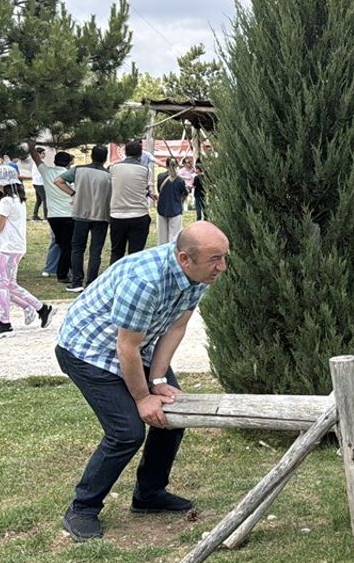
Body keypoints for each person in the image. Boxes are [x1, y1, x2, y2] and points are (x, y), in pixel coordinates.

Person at [56, 221, 230, 542]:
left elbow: (176, 328)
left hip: (135, 348)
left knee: (174, 414)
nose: (222, 267)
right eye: (215, 259)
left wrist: (159, 379)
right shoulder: (146, 281)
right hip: (88, 351)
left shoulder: (200, 274)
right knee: (127, 432)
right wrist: (142, 397)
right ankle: (82, 508)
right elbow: (127, 347)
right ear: (184, 259)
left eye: (224, 257)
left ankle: (149, 494)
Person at [0, 165, 55, 339]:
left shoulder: (6, 201)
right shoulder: (18, 199)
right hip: (13, 247)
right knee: (7, 284)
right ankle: (40, 308)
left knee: (1, 284)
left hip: (7, 248)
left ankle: (5, 323)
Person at [57, 145, 112, 292]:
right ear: (105, 158)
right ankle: (92, 282)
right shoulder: (108, 175)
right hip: (101, 215)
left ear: (91, 156)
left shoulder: (78, 170)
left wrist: (73, 193)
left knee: (77, 248)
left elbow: (58, 181)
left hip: (80, 213)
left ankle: (76, 282)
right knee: (95, 250)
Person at [31, 149, 76, 284]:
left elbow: (36, 158)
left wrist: (31, 145)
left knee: (62, 244)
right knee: (68, 245)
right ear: (68, 163)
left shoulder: (46, 172)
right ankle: (63, 274)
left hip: (53, 215)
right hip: (69, 214)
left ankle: (64, 270)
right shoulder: (68, 175)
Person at [109, 141, 153, 264]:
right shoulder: (146, 170)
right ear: (140, 154)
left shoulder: (113, 168)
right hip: (139, 214)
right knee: (136, 253)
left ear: (125, 152)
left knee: (116, 252)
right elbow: (144, 188)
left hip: (117, 214)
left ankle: (115, 279)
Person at [156, 159, 189, 244]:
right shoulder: (180, 180)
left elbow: (159, 190)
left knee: (162, 236)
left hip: (162, 208)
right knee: (175, 235)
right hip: (176, 208)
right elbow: (185, 193)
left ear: (166, 165)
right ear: (177, 165)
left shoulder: (160, 177)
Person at [30, 146, 47, 221]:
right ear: (38, 154)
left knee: (39, 200)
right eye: (43, 153)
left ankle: (35, 215)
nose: (44, 155)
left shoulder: (37, 162)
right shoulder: (38, 162)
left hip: (36, 183)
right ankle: (46, 217)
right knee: (45, 199)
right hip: (39, 183)